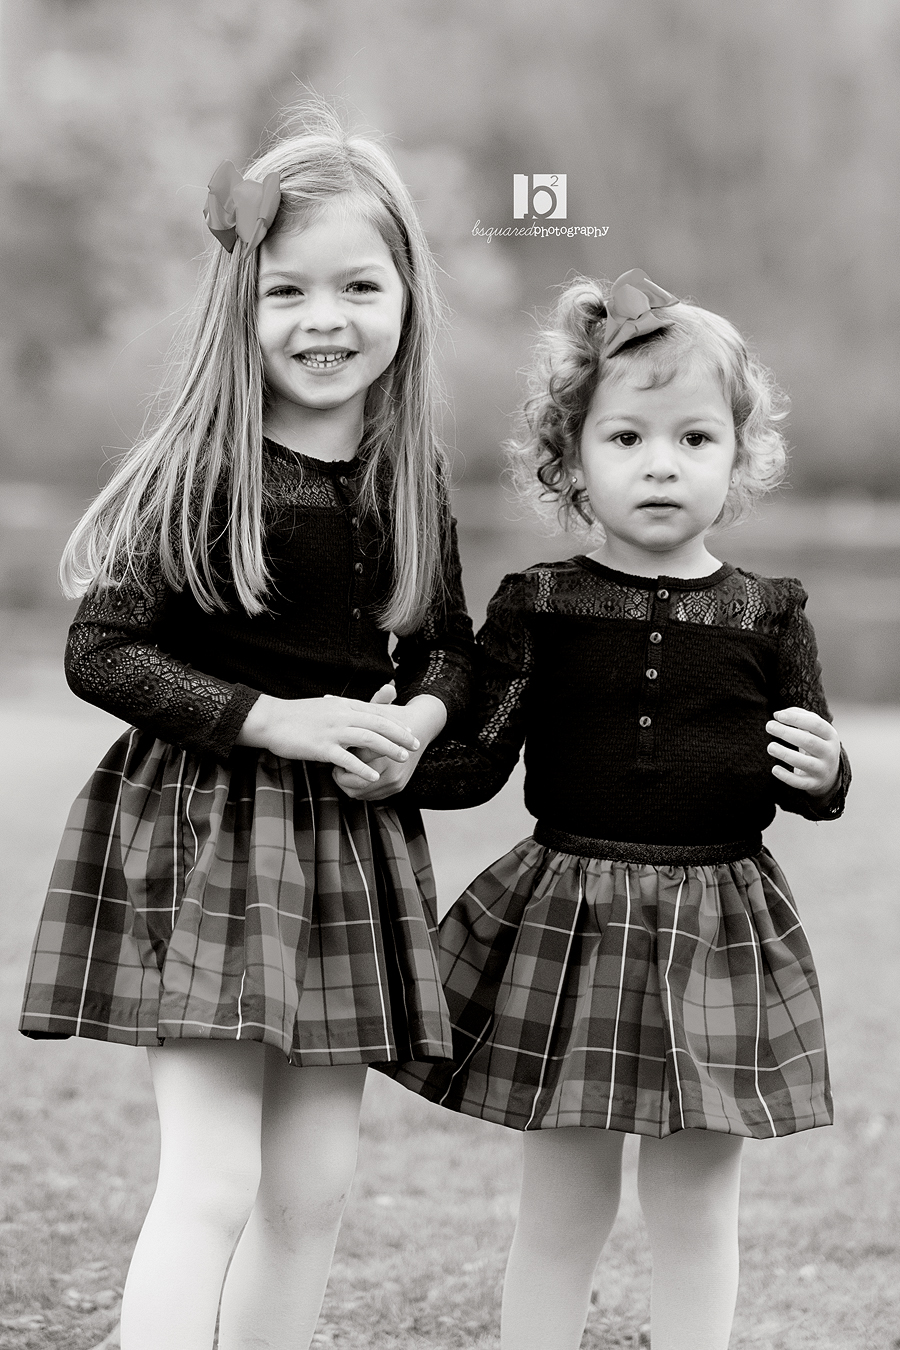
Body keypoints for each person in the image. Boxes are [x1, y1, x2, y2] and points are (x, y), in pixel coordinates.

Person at [19, 106, 473, 1350]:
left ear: (408, 295)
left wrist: (421, 721)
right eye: (288, 291)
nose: (325, 319)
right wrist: (276, 720)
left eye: (358, 286)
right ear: (243, 306)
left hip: (344, 851)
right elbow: (103, 651)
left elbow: (447, 644)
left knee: (312, 1192)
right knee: (215, 1180)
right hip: (211, 837)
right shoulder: (202, 467)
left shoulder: (408, 475)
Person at [378, 270, 849, 1350]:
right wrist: (394, 760)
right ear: (572, 458)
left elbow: (806, 782)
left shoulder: (769, 614)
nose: (660, 464)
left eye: (695, 439)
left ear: (739, 458)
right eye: (627, 438)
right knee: (563, 1199)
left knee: (697, 1200)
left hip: (718, 923)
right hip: (571, 919)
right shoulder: (540, 604)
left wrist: (827, 773)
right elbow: (478, 762)